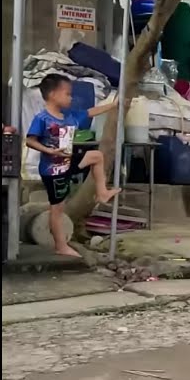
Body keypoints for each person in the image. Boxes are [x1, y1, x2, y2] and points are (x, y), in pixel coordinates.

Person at [25, 75, 119, 257]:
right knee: (57, 208)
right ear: (53, 95)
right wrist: (49, 151)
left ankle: (102, 192)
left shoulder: (69, 117)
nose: (71, 98)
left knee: (96, 156)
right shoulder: (42, 118)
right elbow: (30, 140)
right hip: (53, 170)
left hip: (67, 163)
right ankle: (61, 245)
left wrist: (113, 106)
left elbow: (91, 112)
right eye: (67, 94)